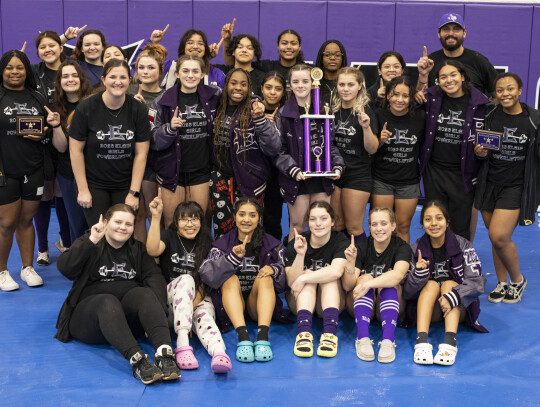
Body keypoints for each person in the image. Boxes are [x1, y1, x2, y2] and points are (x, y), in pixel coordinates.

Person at [55, 204, 180, 384]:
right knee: (107, 301)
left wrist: (156, 314)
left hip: (126, 323)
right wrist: (91, 240)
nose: (122, 227)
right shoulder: (90, 243)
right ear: (105, 223)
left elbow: (154, 278)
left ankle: (165, 354)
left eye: (128, 224)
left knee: (146, 294)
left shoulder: (137, 249)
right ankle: (138, 360)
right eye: (118, 222)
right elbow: (65, 268)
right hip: (90, 320)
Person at [147, 197, 233, 373]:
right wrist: (156, 218)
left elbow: (203, 283)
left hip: (194, 301)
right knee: (186, 279)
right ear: (176, 222)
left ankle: (219, 353)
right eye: (184, 219)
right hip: (169, 301)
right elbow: (152, 250)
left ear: (201, 222)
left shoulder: (207, 242)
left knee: (204, 314)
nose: (190, 224)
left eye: (195, 219)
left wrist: (189, 310)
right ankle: (183, 344)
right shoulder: (169, 236)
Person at [474, 73, 539, 304]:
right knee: (496, 240)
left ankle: (518, 280)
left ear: (520, 91)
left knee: (499, 236)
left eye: (510, 89)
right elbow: (482, 148)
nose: (505, 94)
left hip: (516, 186)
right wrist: (479, 152)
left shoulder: (534, 119)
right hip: (489, 183)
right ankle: (502, 283)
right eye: (500, 90)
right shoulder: (490, 114)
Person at [199, 197, 287, 363]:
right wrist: (231, 258)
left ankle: (262, 338)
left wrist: (274, 270)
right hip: (231, 306)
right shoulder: (222, 244)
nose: (247, 219)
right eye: (242, 214)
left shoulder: (272, 245)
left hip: (257, 305)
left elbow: (284, 285)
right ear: (234, 217)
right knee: (229, 278)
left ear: (259, 219)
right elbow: (206, 275)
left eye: (252, 215)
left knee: (265, 277)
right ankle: (244, 338)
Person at [403, 201, 487, 366]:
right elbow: (407, 293)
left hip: (458, 308)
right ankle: (421, 342)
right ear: (422, 224)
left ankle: (450, 343)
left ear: (447, 222)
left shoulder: (463, 245)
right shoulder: (415, 250)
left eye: (439, 218)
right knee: (431, 285)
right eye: (428, 219)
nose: (433, 223)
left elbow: (478, 281)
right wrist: (418, 274)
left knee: (449, 285)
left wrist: (455, 296)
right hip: (430, 310)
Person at [69, 59, 150, 227]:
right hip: (93, 184)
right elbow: (75, 151)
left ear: (130, 80)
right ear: (104, 79)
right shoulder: (86, 108)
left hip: (125, 184)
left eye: (123, 77)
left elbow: (141, 154)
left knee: (122, 232)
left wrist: (134, 192)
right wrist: (83, 189)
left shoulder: (138, 109)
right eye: (113, 77)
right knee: (100, 233)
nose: (118, 82)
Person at [420, 60, 490, 240]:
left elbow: (488, 141)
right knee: (434, 221)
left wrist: (482, 152)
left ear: (463, 77)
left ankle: (459, 262)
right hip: (434, 171)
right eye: (443, 77)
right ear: (437, 80)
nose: (448, 80)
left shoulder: (481, 104)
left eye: (453, 75)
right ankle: (436, 261)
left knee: (459, 224)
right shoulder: (430, 98)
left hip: (463, 174)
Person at [275, 64, 345, 243]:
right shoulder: (283, 113)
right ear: (290, 84)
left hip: (322, 177)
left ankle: (320, 266)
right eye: (295, 81)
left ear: (313, 84)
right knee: (297, 225)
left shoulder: (325, 110)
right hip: (297, 179)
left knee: (321, 225)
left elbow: (332, 145)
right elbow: (279, 150)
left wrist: (336, 166)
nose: (300, 85)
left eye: (305, 81)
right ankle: (292, 266)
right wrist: (292, 170)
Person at [0, 50, 51, 291]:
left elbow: (48, 128)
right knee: (7, 222)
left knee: (26, 219)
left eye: (19, 68)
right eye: (9, 67)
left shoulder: (37, 96)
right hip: (4, 170)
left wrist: (44, 132)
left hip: (33, 168)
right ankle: (2, 272)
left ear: (26, 71)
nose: (14, 72)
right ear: (2, 70)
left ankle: (27, 268)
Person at [210, 68, 281, 239]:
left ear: (250, 88)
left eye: (243, 84)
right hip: (220, 177)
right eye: (233, 83)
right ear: (226, 85)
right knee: (223, 227)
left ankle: (251, 263)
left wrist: (261, 121)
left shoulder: (255, 108)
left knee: (250, 227)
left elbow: (274, 147)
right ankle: (224, 262)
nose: (238, 88)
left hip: (250, 177)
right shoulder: (216, 105)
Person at [150, 55, 220, 228]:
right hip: (171, 172)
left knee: (199, 221)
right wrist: (169, 129)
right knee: (171, 223)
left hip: (201, 171)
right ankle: (171, 257)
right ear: (177, 74)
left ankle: (199, 256)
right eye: (186, 71)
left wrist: (257, 102)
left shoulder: (214, 95)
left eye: (195, 71)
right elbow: (153, 141)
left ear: (203, 73)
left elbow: (237, 98)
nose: (191, 75)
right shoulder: (161, 101)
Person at [342, 207, 412, 363]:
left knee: (386, 282)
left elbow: (397, 275)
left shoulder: (402, 247)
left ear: (393, 226)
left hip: (388, 305)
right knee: (364, 278)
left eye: (384, 223)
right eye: (374, 224)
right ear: (369, 227)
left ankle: (388, 340)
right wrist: (350, 263)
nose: (379, 228)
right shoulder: (361, 246)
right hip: (360, 304)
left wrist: (370, 284)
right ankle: (362, 338)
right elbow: (347, 286)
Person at [286, 201, 349, 358]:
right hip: (299, 302)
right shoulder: (297, 242)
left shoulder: (341, 241)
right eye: (313, 219)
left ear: (332, 221)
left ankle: (329, 335)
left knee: (327, 278)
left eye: (324, 218)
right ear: (308, 222)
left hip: (329, 303)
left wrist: (305, 277)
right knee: (309, 278)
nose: (318, 224)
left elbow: (335, 271)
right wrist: (301, 255)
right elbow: (290, 281)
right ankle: (304, 334)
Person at [32, 31, 72, 266]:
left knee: (63, 194)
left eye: (52, 45)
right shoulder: (34, 72)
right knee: (44, 195)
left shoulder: (70, 70)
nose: (47, 50)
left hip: (67, 141)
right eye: (42, 47)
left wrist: (63, 40)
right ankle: (43, 249)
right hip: (40, 141)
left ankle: (66, 243)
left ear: (61, 47)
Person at [372, 76, 425, 243]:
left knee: (402, 226)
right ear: (388, 95)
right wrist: (379, 141)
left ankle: (401, 265)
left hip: (408, 182)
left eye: (405, 96)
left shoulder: (421, 117)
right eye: (395, 94)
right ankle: (380, 262)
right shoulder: (378, 115)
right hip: (382, 180)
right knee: (382, 225)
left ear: (411, 98)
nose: (399, 100)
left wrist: (423, 78)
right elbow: (370, 149)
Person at [47, 60, 91, 246]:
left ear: (81, 78)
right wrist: (56, 126)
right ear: (59, 82)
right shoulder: (54, 107)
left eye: (74, 75)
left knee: (99, 221)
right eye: (65, 76)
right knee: (77, 224)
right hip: (68, 174)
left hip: (97, 172)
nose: (70, 79)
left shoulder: (95, 102)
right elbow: (62, 148)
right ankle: (79, 267)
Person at [330, 67, 378, 240]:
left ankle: (360, 264)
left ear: (360, 86)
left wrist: (366, 127)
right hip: (334, 174)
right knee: (336, 225)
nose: (345, 88)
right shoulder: (331, 111)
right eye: (341, 84)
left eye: (351, 84)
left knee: (353, 227)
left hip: (357, 175)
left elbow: (372, 149)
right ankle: (340, 264)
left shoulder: (365, 111)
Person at [127, 45, 166, 242]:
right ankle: (140, 258)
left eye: (151, 67)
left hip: (156, 161)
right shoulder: (128, 93)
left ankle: (158, 257)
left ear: (160, 70)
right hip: (130, 160)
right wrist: (132, 110)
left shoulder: (168, 96)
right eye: (141, 67)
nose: (145, 72)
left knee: (154, 212)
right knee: (137, 214)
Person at [416, 13, 497, 98]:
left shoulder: (479, 61)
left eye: (456, 29)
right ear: (439, 34)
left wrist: (485, 109)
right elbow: (421, 97)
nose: (451, 33)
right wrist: (423, 75)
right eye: (446, 29)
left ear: (464, 33)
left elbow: (498, 95)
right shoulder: (430, 62)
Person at [223, 21, 305, 83]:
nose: (289, 47)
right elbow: (233, 64)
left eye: (293, 43)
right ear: (278, 46)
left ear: (300, 46)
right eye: (284, 43)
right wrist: (226, 40)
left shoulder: (307, 69)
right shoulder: (267, 66)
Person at [260, 71, 287, 241]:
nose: (272, 92)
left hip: (276, 172)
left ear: (284, 92)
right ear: (261, 89)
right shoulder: (252, 109)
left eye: (278, 89)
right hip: (253, 170)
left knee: (272, 216)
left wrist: (275, 127)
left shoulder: (286, 113)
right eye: (268, 87)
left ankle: (273, 252)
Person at [314, 40, 348, 105]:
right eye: (327, 55)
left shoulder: (348, 84)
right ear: (321, 58)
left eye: (337, 55)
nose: (332, 58)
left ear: (342, 59)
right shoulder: (313, 84)